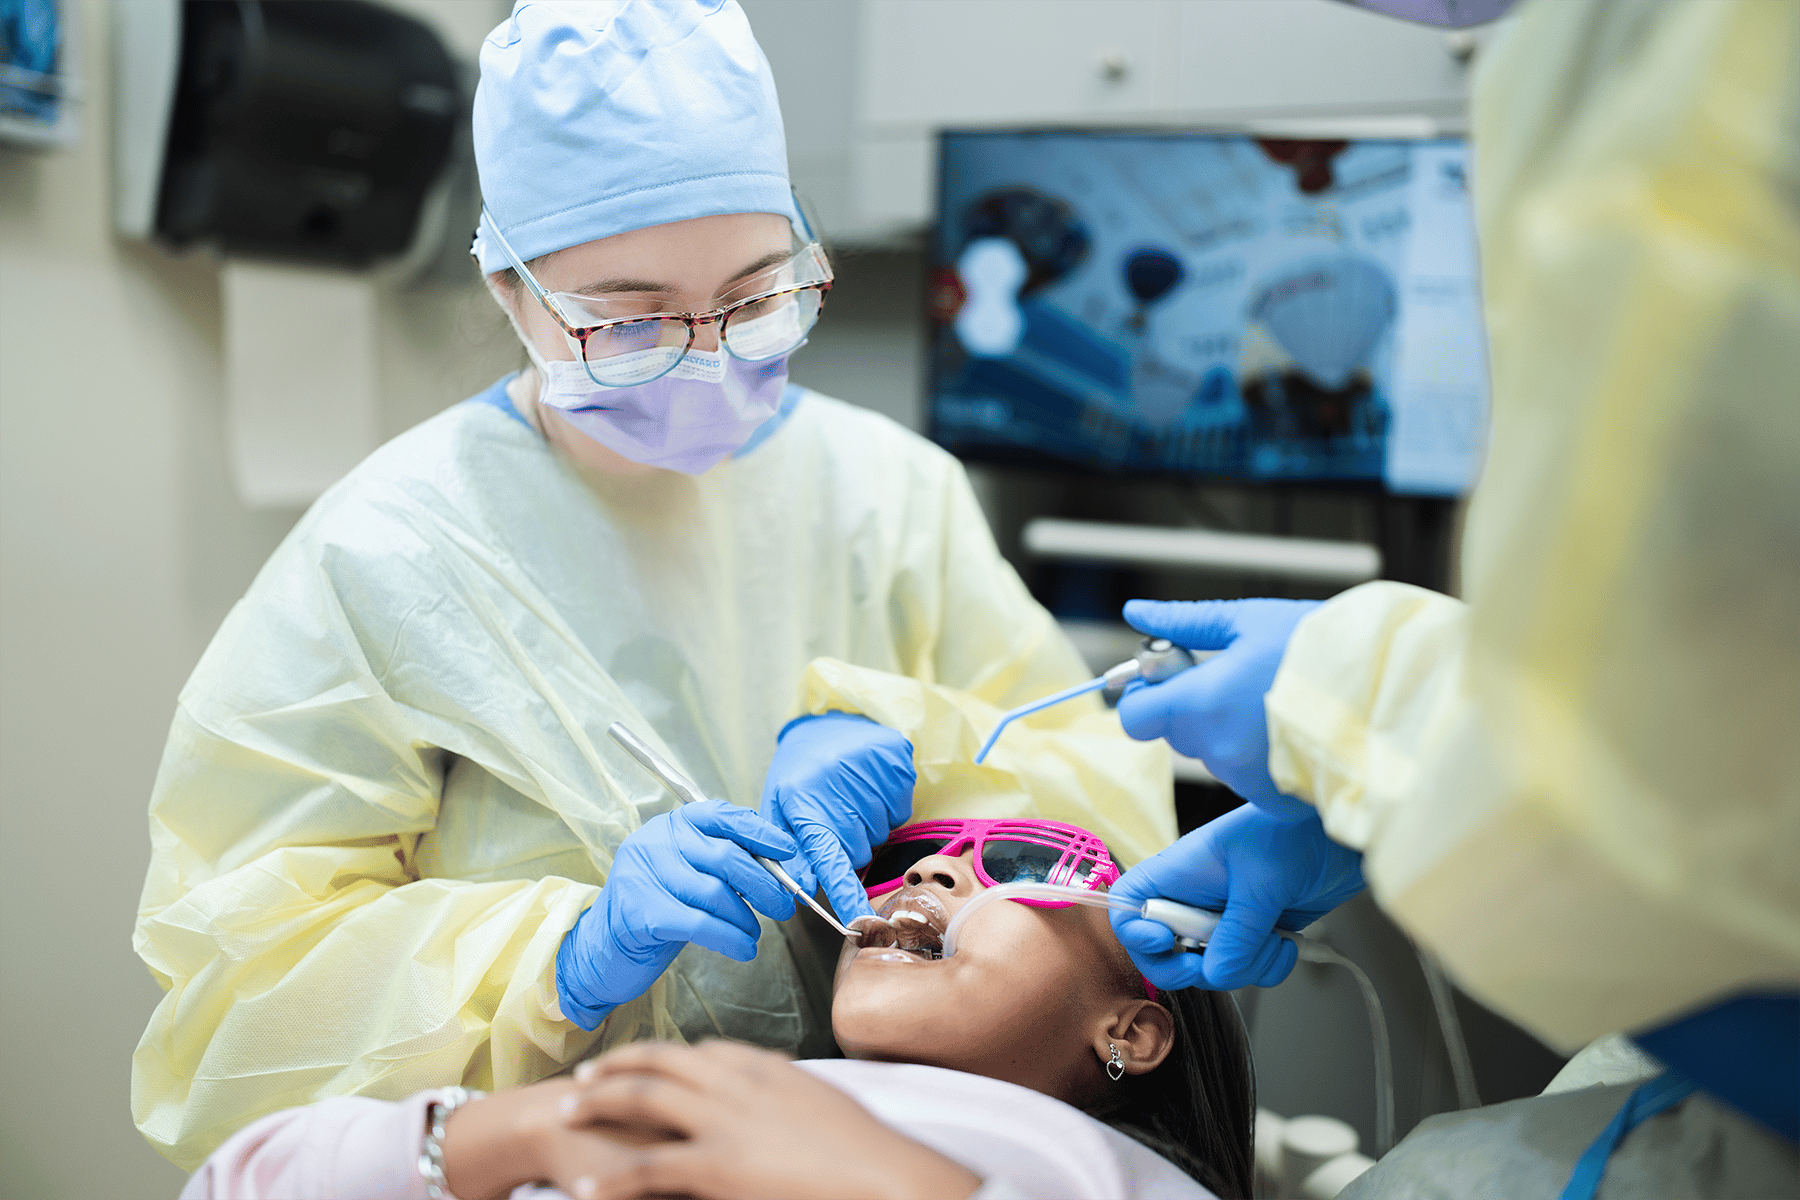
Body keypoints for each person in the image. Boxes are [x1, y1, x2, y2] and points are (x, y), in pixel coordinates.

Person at [131, 0, 1173, 1171]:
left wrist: (909, 748)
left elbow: (1114, 841)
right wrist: (567, 956)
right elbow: (236, 1018)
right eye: (629, 323)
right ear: (510, 289)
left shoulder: (888, 494)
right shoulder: (390, 552)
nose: (709, 357)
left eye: (757, 298)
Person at [1091, 0, 1799, 1193]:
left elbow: (1717, 828)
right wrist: (1406, 778)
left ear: (1130, 1033)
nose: (939, 880)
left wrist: (1378, 714)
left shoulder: (1721, 62)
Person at [179, 820, 1252, 1200]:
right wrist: (519, 1130)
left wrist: (891, 1182)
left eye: (1017, 863)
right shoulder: (701, 1093)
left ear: (1131, 1030)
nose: (928, 876)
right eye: (909, 861)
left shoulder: (1101, 1175)